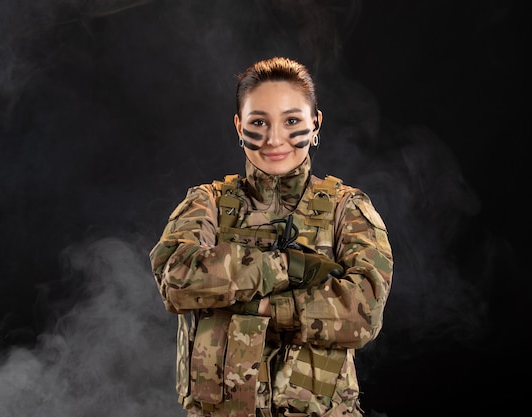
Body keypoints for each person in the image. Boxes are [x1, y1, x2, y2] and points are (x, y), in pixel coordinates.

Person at [149, 56, 393, 417]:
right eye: (258, 122)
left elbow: (365, 311)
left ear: (315, 124)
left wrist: (263, 307)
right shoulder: (207, 203)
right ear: (238, 126)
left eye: (291, 121)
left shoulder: (348, 208)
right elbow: (175, 277)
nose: (274, 138)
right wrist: (284, 267)